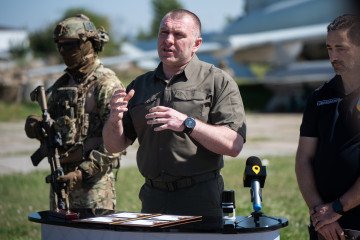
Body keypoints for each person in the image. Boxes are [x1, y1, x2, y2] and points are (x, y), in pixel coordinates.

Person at [103, 9, 246, 222]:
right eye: (163, 32)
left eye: (178, 35)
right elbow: (114, 146)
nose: (168, 40)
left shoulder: (217, 81)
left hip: (200, 198)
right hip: (153, 198)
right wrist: (114, 118)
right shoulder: (139, 86)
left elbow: (233, 145)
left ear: (196, 44)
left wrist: (187, 123)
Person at [25, 14, 124, 216]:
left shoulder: (105, 84)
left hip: (93, 190)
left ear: (89, 43)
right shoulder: (62, 84)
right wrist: (37, 127)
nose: (64, 51)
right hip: (61, 182)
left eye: (70, 45)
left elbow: (117, 144)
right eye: (60, 45)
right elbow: (53, 126)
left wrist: (81, 173)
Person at [295, 14, 360, 240]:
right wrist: (319, 212)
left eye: (341, 48)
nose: (333, 56)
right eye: (329, 48)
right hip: (325, 223)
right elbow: (304, 158)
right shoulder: (319, 97)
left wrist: (338, 208)